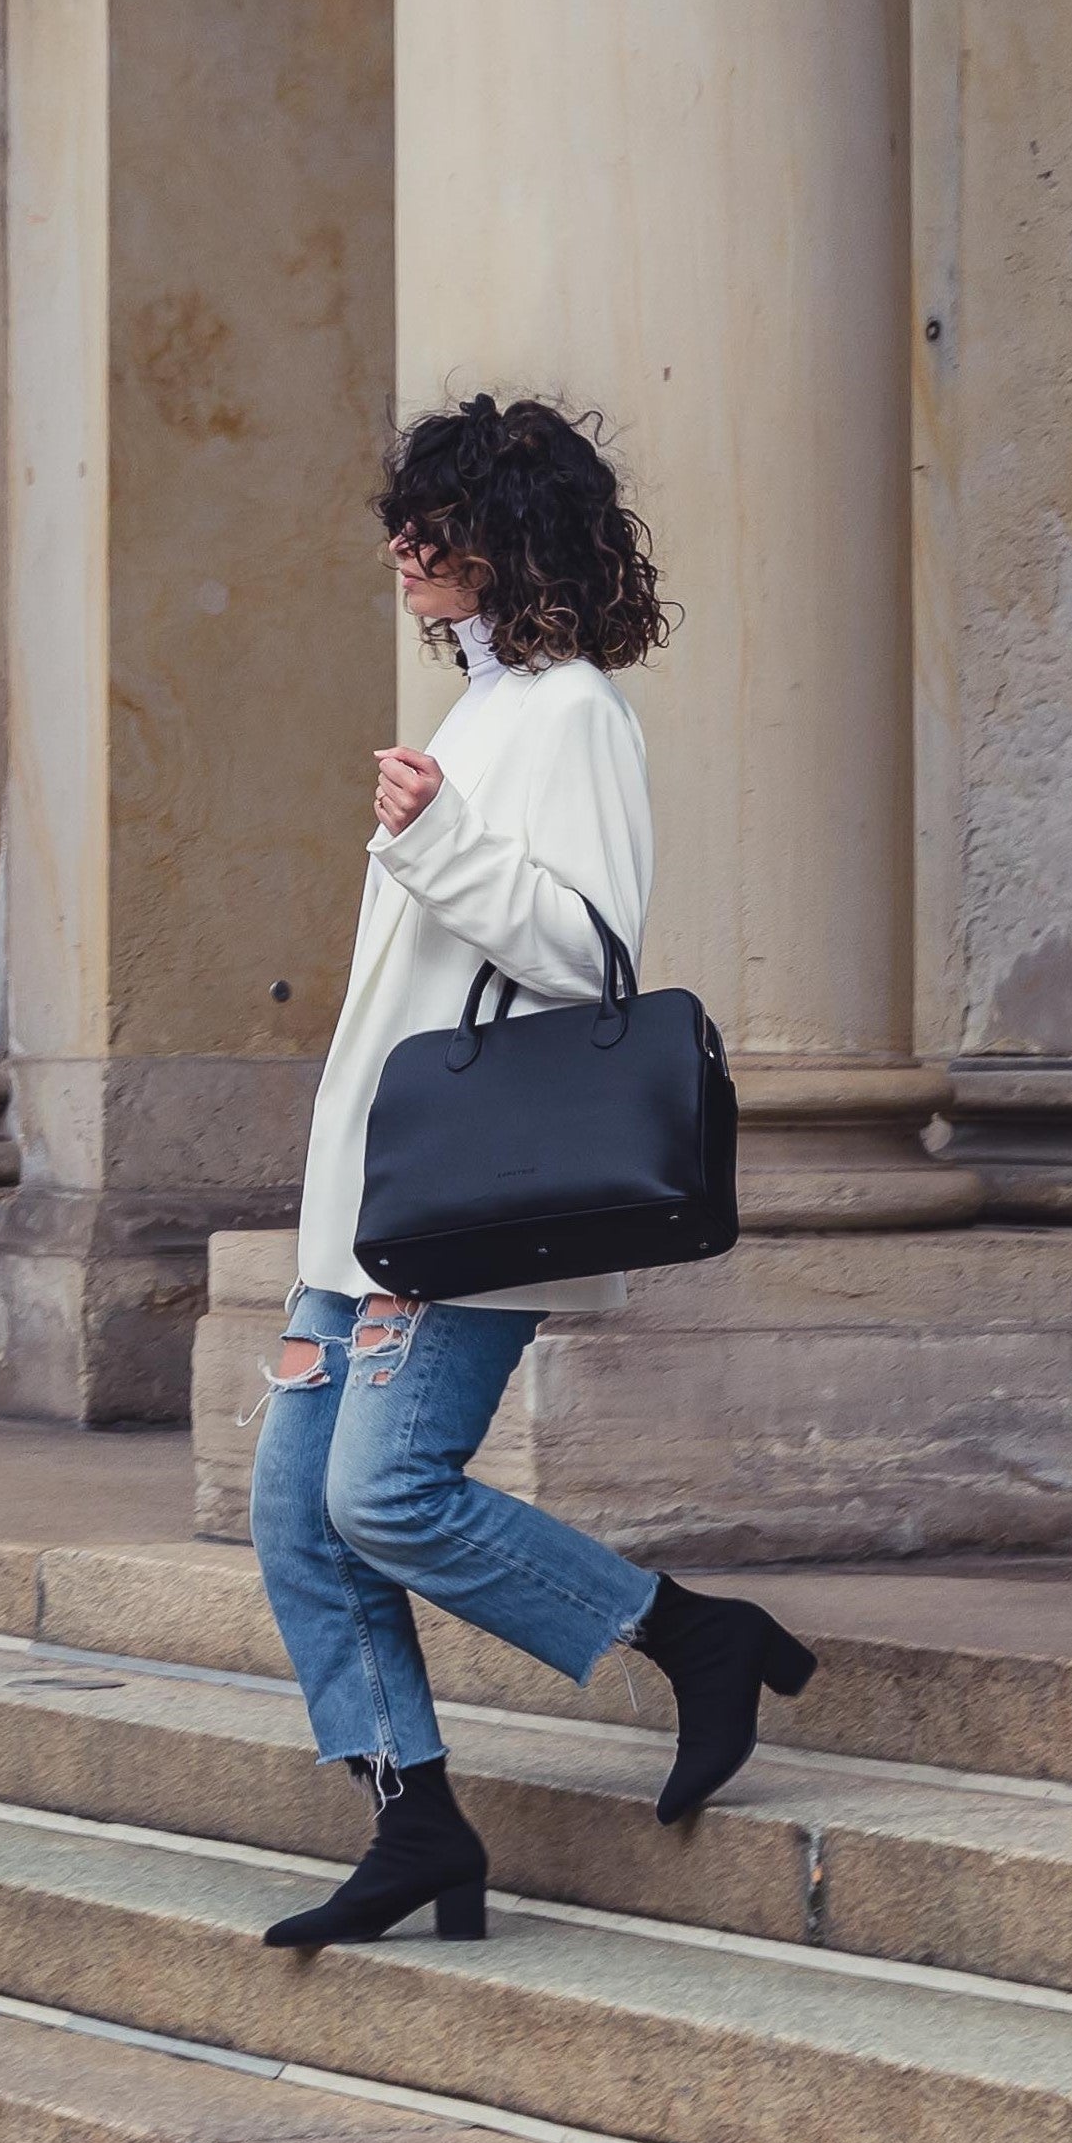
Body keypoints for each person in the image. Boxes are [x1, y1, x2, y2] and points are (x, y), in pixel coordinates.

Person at [250, 393, 816, 1952]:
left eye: (429, 523)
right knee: (298, 1519)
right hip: (372, 1199)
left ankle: (689, 1635)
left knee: (383, 1491)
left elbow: (589, 953)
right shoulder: (478, 711)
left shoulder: (569, 711)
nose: (399, 548)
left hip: (460, 1211)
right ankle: (412, 1820)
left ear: (509, 535)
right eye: (401, 520)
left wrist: (437, 842)